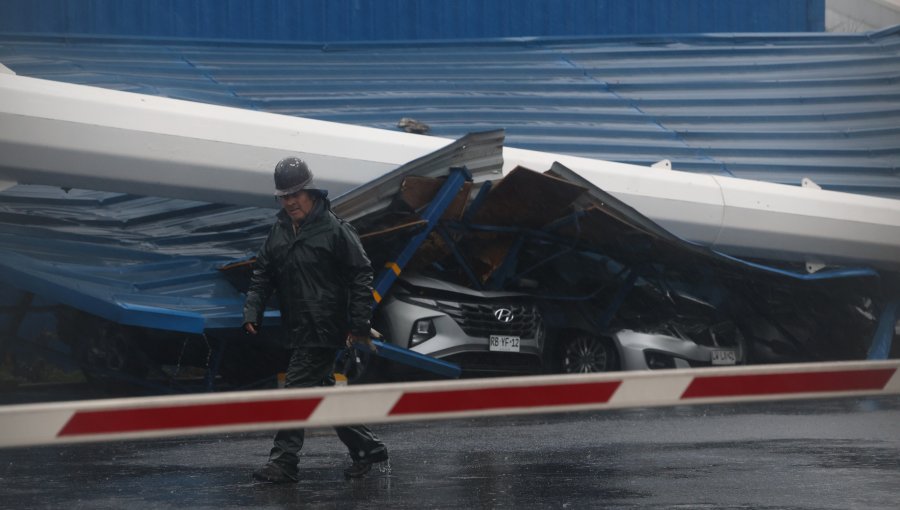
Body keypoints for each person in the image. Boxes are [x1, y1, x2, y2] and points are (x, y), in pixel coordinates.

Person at [242, 157, 388, 483]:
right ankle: (367, 447)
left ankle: (284, 461)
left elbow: (361, 275)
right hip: (297, 327)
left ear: (310, 192)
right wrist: (252, 311)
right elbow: (262, 274)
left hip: (325, 328)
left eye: (296, 194)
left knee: (295, 390)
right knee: (323, 395)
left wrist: (359, 323)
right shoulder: (279, 232)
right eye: (284, 196)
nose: (290, 201)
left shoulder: (336, 231)